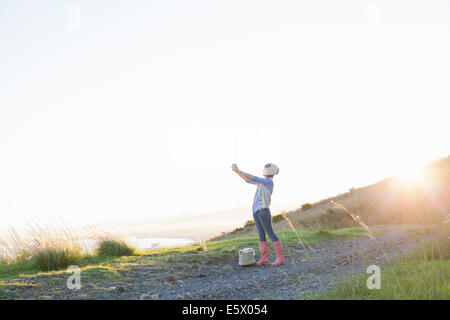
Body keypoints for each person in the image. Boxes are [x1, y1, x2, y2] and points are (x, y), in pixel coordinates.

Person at [231, 163, 285, 267]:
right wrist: (237, 172)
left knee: (270, 233)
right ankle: (264, 259)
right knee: (261, 235)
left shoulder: (268, 182)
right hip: (256, 211)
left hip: (263, 211)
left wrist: (239, 169)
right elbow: (247, 180)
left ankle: (280, 258)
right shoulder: (262, 183)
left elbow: (252, 177)